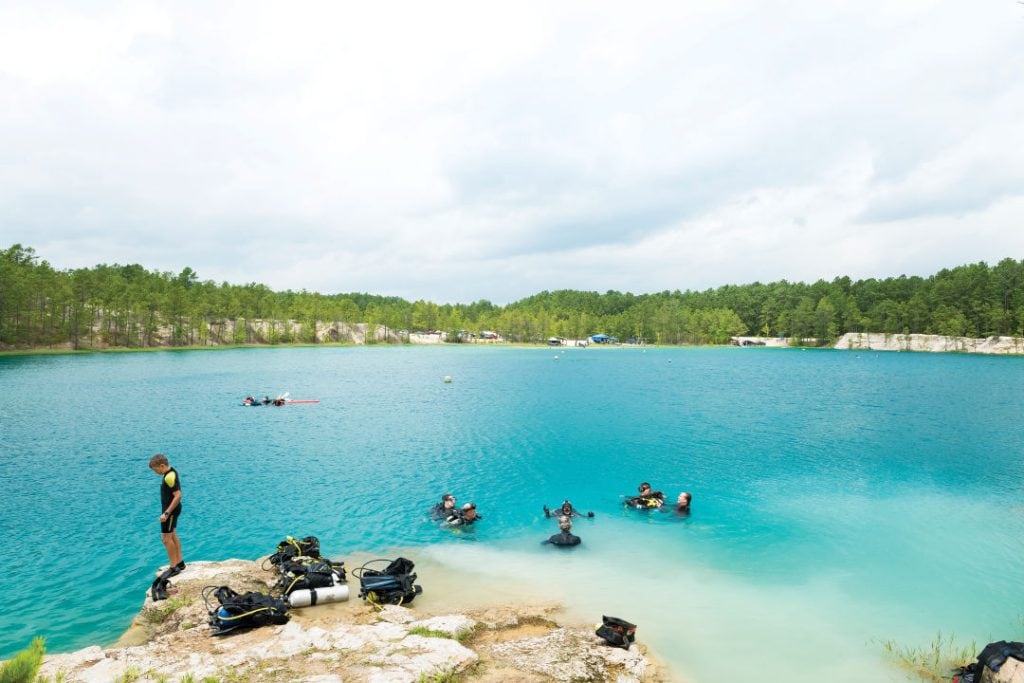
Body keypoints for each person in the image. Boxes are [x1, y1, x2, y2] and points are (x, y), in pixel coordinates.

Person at [149, 454, 185, 576]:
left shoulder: (169, 477)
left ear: (162, 465)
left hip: (170, 511)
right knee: (173, 535)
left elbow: (178, 495)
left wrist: (166, 513)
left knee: (165, 539)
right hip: (173, 510)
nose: (155, 473)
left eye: (156, 470)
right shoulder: (171, 472)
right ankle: (180, 563)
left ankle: (173, 567)